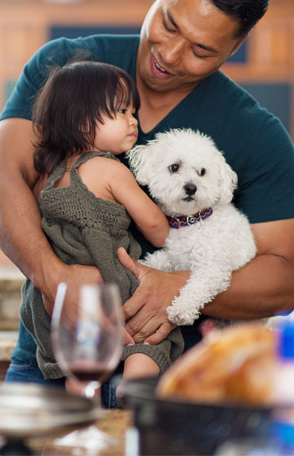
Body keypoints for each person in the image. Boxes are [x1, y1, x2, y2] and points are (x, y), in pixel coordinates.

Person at [0, 0, 294, 408]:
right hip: (52, 366)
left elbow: (285, 279)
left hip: (180, 384)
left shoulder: (258, 134)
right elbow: (0, 182)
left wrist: (177, 288)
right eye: (168, 24)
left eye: (200, 50)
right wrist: (54, 278)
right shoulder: (67, 65)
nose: (169, 55)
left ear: (236, 46)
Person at [20, 60, 183, 399]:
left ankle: (82, 406)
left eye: (132, 111)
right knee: (149, 342)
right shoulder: (110, 169)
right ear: (80, 119)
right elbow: (154, 226)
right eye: (120, 111)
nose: (133, 120)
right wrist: (176, 236)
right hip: (111, 289)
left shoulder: (52, 175)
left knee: (81, 367)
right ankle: (133, 390)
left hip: (61, 305)